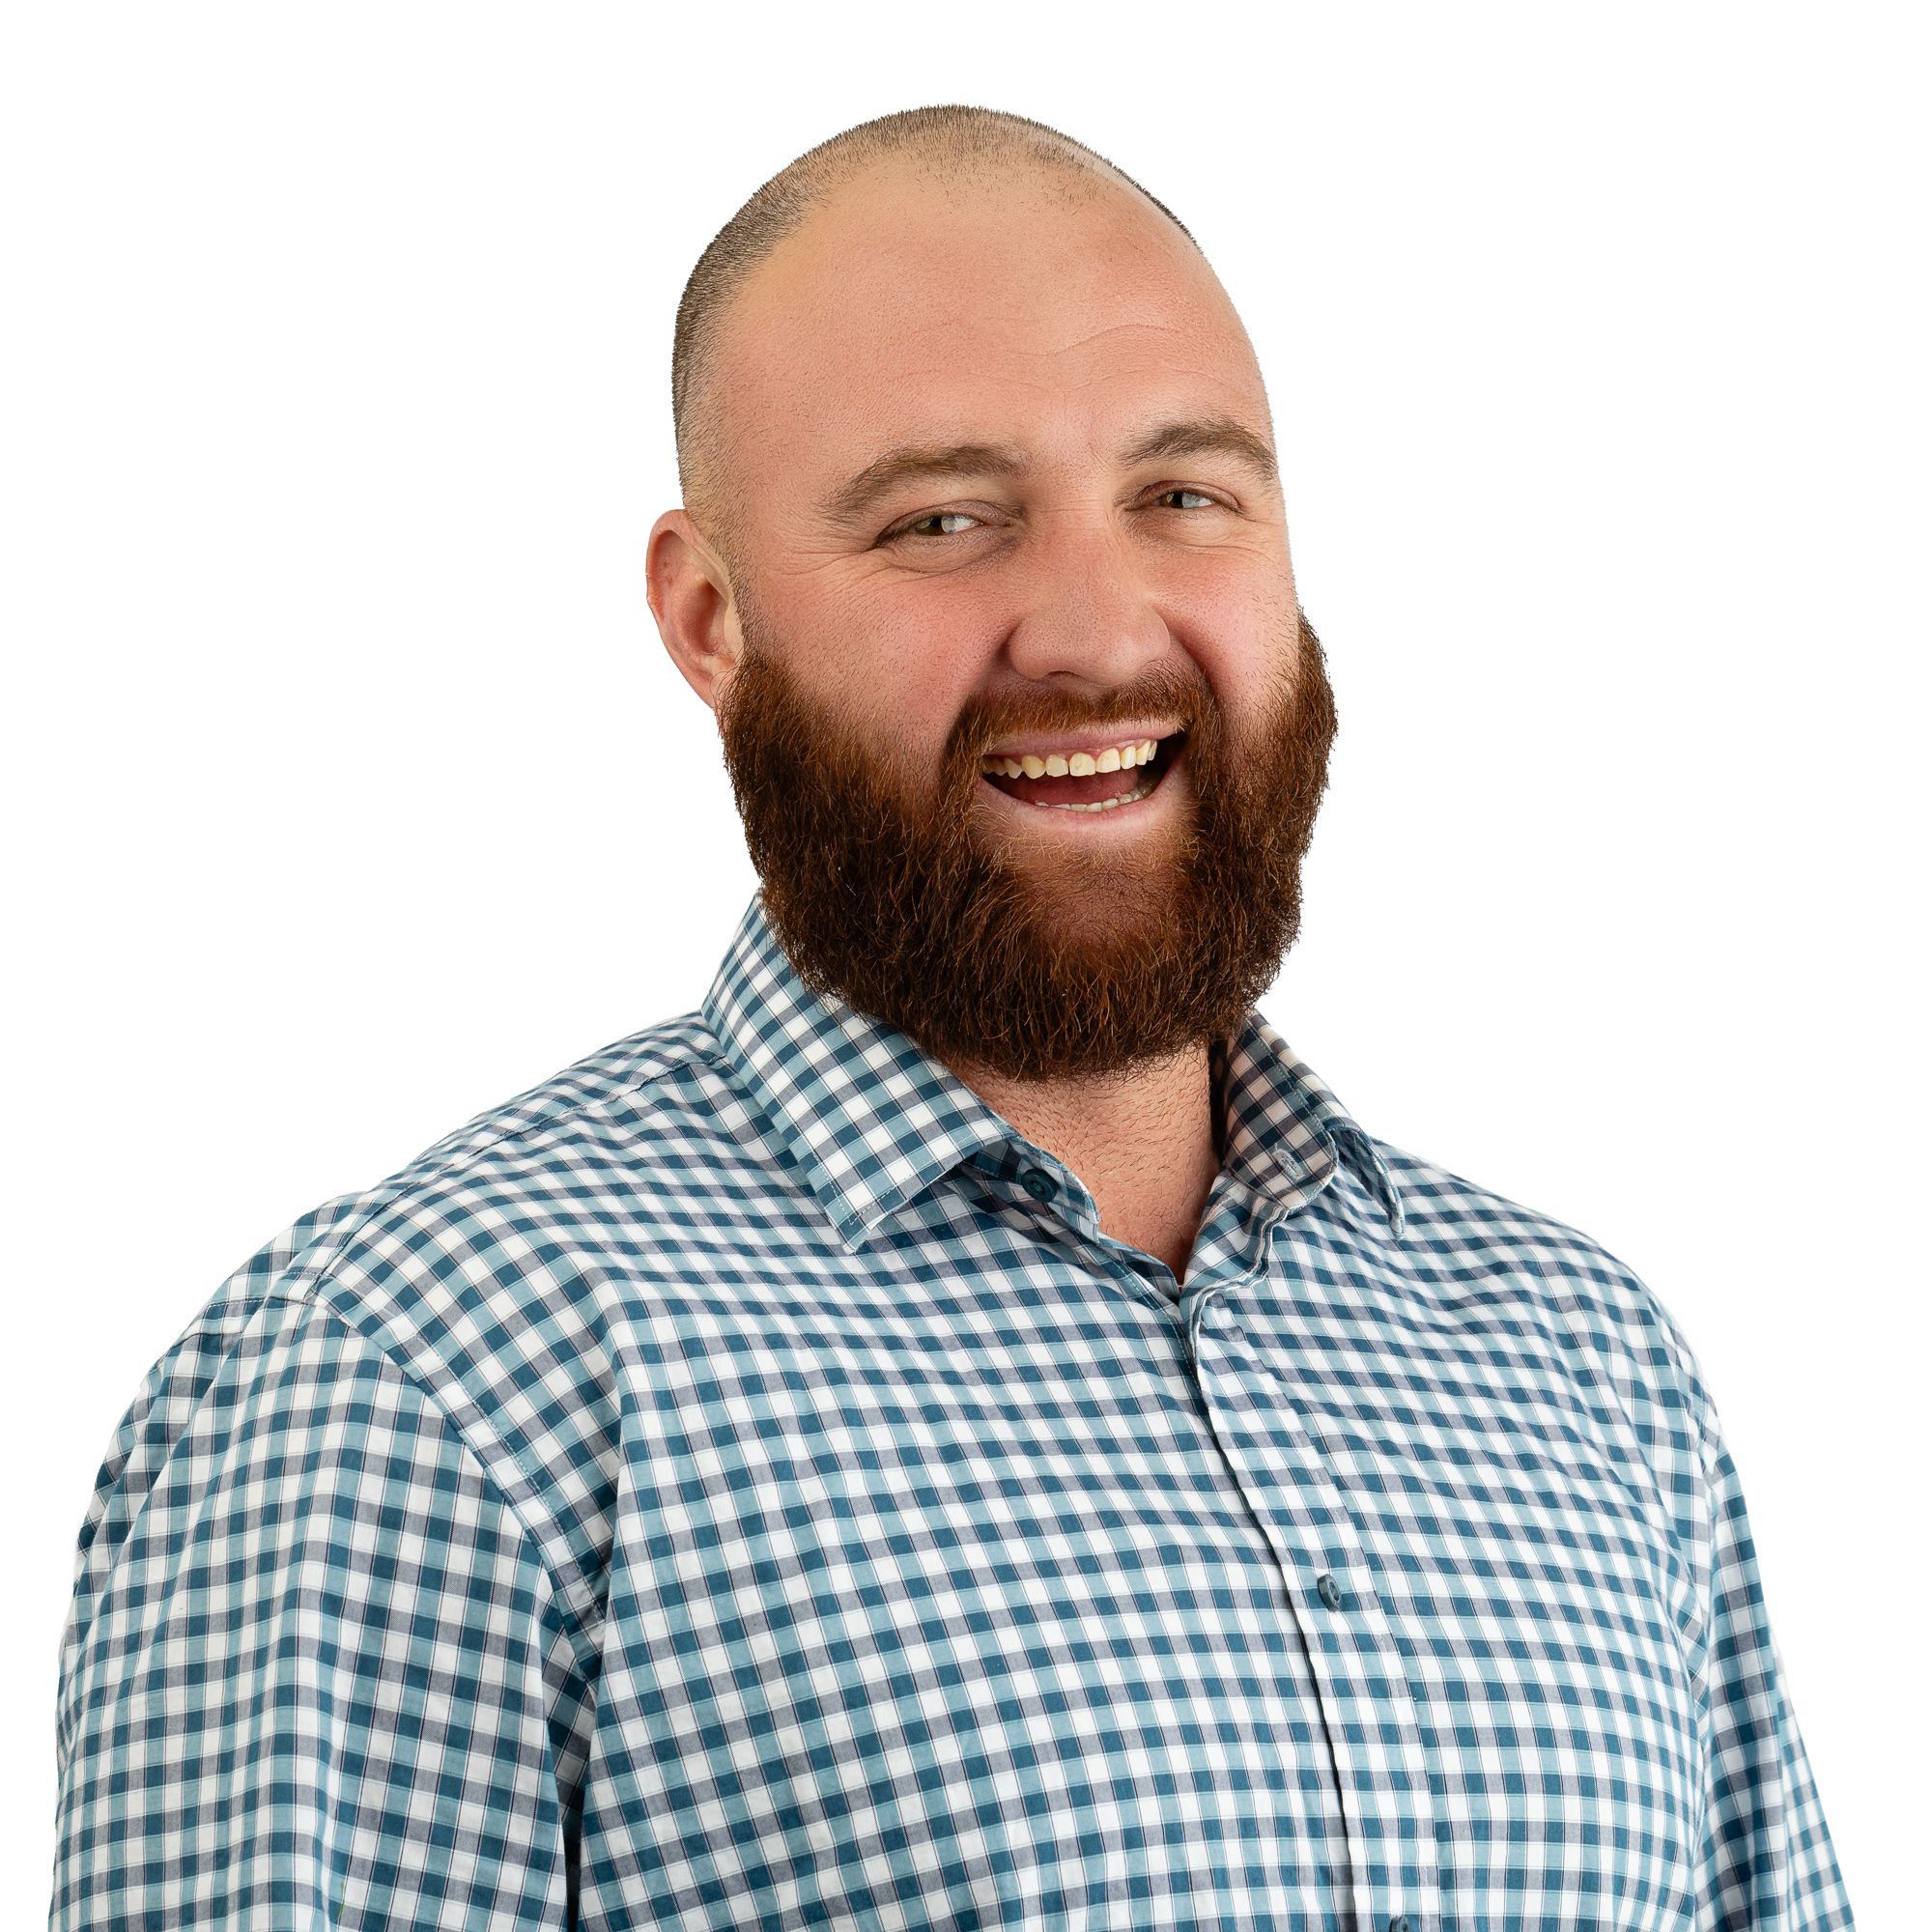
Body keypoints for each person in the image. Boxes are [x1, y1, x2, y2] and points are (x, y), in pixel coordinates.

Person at [51, 106, 1852, 1931]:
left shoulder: (1584, 1366)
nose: (1096, 633)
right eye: (942, 521)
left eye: (1184, 497)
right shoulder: (427, 1384)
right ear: (709, 618)